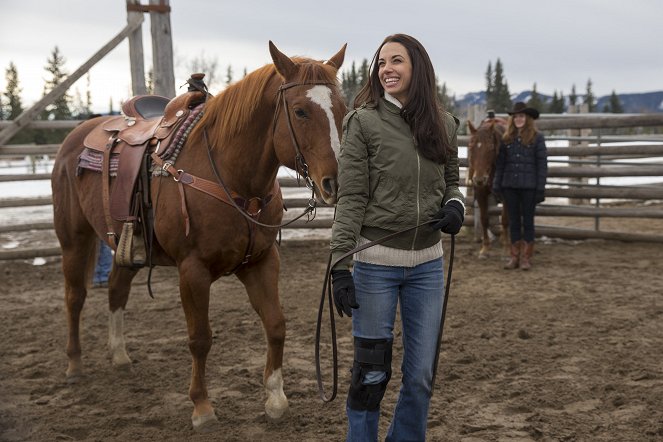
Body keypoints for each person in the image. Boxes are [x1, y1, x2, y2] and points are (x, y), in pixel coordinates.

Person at [329, 33, 465, 441]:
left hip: (427, 264)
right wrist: (339, 265)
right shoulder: (363, 122)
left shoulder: (443, 123)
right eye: (382, 62)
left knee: (421, 375)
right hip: (375, 268)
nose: (387, 68)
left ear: (416, 67)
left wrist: (457, 204)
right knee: (371, 373)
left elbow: (453, 182)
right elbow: (351, 196)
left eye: (397, 61)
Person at [492, 102, 548, 270]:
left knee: (528, 222)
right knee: (514, 222)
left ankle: (526, 258)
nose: (518, 119)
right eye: (515, 116)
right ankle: (514, 256)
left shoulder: (537, 138)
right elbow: (500, 164)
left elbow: (542, 165)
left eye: (521, 116)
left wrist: (540, 188)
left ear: (527, 118)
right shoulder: (507, 139)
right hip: (510, 186)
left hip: (529, 187)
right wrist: (497, 184)